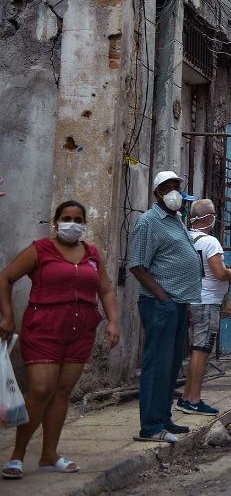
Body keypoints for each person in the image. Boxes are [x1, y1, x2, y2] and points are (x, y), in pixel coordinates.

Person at [0, 201, 120, 478]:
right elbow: (5, 278)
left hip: (80, 331)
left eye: (78, 219)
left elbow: (106, 290)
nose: (72, 223)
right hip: (44, 328)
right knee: (41, 389)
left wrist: (113, 321)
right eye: (66, 218)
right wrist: (6, 316)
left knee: (62, 392)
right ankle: (17, 455)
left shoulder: (91, 253)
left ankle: (49, 454)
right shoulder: (40, 250)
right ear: (56, 222)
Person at [127, 171, 202, 443]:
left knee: (171, 366)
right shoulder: (148, 222)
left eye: (176, 187)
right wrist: (163, 298)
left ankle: (164, 417)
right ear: (157, 192)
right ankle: (150, 426)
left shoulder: (177, 219)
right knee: (157, 364)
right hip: (161, 304)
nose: (174, 193)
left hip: (179, 303)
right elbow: (136, 264)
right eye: (167, 188)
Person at [176, 199, 231, 417]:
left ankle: (186, 397)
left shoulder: (185, 238)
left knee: (196, 351)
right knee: (201, 352)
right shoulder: (210, 242)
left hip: (191, 298)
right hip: (207, 301)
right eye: (214, 215)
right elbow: (219, 273)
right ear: (209, 217)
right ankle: (193, 398)